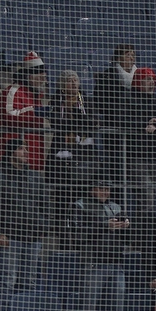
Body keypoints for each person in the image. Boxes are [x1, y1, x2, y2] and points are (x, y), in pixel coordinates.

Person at [0, 139, 47, 311]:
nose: (25, 152)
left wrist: (42, 228)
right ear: (12, 152)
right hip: (10, 236)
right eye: (21, 149)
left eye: (26, 149)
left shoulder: (36, 177)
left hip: (32, 236)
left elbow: (46, 205)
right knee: (8, 280)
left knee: (28, 280)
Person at [69, 180, 130, 311]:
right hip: (93, 263)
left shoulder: (116, 207)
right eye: (101, 188)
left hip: (116, 263)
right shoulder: (80, 205)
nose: (105, 192)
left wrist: (126, 226)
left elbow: (128, 239)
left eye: (107, 188)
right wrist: (104, 225)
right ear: (92, 189)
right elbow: (76, 234)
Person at [46, 70, 97, 242]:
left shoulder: (87, 101)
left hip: (84, 157)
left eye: (75, 80)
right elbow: (57, 122)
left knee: (82, 196)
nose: (73, 83)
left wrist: (75, 120)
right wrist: (76, 121)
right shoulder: (55, 102)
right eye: (69, 80)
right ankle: (63, 239)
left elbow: (92, 122)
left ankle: (80, 237)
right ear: (62, 84)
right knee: (63, 196)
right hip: (62, 158)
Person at [128, 67, 156, 214]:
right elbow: (124, 121)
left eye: (153, 79)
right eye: (147, 79)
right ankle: (146, 229)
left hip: (153, 156)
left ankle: (145, 226)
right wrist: (145, 124)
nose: (152, 82)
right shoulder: (129, 99)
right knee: (146, 195)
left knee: (151, 195)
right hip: (135, 156)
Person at [0, 51, 49, 171]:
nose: (42, 81)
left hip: (33, 151)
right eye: (39, 77)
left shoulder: (36, 95)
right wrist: (35, 112)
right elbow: (9, 115)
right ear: (29, 76)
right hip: (11, 155)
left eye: (43, 77)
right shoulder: (13, 91)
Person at [92, 44, 137, 183]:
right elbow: (99, 101)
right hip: (114, 130)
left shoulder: (140, 76)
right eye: (127, 54)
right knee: (115, 170)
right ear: (118, 57)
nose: (131, 57)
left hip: (134, 132)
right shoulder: (107, 76)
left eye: (133, 55)